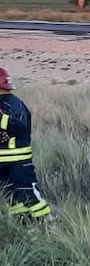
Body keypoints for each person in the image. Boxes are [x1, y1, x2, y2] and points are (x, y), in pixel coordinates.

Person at [0, 67, 52, 220]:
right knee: (11, 195)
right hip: (3, 163)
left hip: (19, 162)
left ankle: (46, 223)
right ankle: (22, 221)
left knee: (28, 191)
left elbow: (20, 126)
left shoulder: (14, 104)